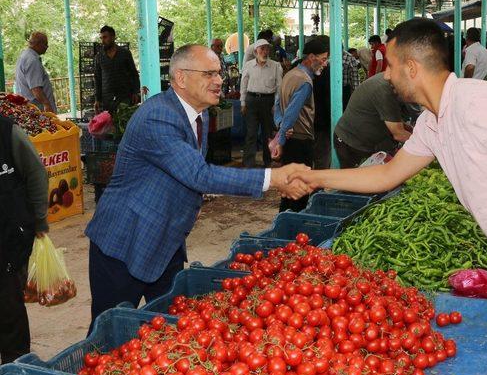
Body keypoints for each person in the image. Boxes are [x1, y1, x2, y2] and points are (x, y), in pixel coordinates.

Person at [290, 18, 487, 375]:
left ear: (412, 67)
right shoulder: (434, 121)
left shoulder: (475, 102)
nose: (386, 76)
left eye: (390, 65)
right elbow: (387, 174)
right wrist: (318, 178)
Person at [84, 44, 310, 330]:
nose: (219, 81)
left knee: (172, 326)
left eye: (219, 73)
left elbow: (187, 175)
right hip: (126, 242)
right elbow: (198, 174)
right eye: (209, 74)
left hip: (167, 241)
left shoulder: (198, 115)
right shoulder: (159, 116)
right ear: (181, 77)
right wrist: (273, 178)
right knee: (108, 333)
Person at [0, 117, 48, 363]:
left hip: (7, 244)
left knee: (10, 318)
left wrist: (39, 221)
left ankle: (14, 374)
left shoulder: (8, 132)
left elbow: (36, 173)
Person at [270, 38, 329, 211]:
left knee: (289, 187)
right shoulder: (305, 81)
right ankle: (293, 228)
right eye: (323, 59)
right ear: (311, 57)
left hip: (290, 138)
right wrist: (281, 138)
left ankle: (284, 222)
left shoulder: (290, 74)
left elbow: (277, 105)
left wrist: (281, 126)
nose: (324, 64)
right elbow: (291, 113)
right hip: (300, 140)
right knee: (300, 191)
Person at [334, 73, 416, 168]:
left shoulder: (392, 81)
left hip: (366, 142)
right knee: (354, 180)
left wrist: (408, 128)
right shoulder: (385, 91)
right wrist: (426, 145)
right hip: (351, 142)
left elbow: (391, 120)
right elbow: (399, 134)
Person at [240, 39, 283, 168]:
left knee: (267, 134)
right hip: (251, 101)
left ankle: (267, 161)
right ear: (255, 51)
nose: (265, 52)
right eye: (262, 49)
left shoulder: (275, 66)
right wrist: (242, 102)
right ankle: (249, 163)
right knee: (251, 133)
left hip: (268, 102)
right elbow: (243, 84)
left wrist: (275, 106)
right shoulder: (248, 65)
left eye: (266, 49)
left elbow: (279, 87)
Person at [93, 26, 140, 114]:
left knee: (124, 122)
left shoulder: (125, 53)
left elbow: (134, 74)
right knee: (110, 125)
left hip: (125, 96)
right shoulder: (99, 56)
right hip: (107, 99)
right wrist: (97, 99)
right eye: (101, 38)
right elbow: (97, 79)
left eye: (105, 37)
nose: (102, 41)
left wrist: (135, 92)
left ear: (113, 37)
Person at [14, 32, 57, 113]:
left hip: (29, 105)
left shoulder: (24, 55)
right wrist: (47, 104)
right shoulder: (32, 60)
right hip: (38, 109)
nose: (47, 47)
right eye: (45, 44)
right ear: (38, 44)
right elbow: (36, 89)